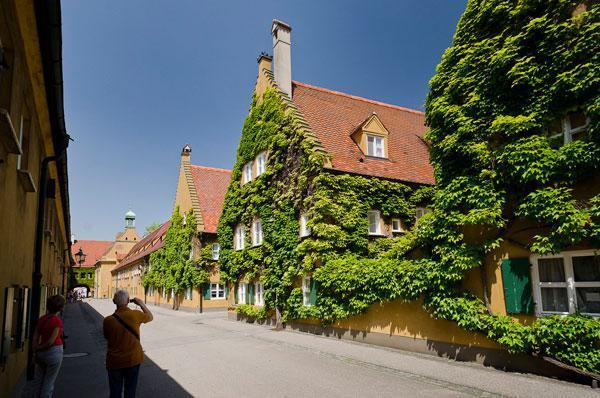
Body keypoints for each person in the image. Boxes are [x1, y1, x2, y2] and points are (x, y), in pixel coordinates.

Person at [103, 290, 153, 398]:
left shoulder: (108, 320)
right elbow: (150, 317)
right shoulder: (135, 315)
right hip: (132, 359)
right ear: (128, 301)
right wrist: (140, 303)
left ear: (113, 301)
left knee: (115, 392)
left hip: (114, 361)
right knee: (130, 390)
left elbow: (107, 337)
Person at [28, 294, 66, 398]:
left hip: (41, 355)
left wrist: (35, 349)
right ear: (61, 307)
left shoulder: (41, 319)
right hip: (54, 353)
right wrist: (40, 347)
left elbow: (35, 337)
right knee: (49, 382)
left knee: (39, 380)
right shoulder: (57, 321)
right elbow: (51, 342)